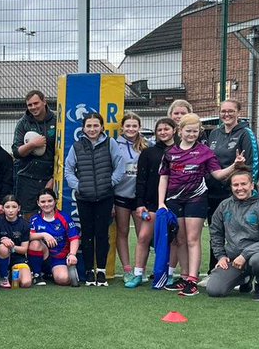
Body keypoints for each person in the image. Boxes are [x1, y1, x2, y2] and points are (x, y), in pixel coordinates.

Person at [158, 114, 241, 297]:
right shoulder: (170, 153)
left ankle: (192, 280)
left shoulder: (205, 151)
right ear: (180, 131)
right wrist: (161, 202)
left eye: (195, 131)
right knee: (179, 240)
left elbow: (218, 174)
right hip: (174, 200)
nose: (192, 134)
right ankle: (184, 276)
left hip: (196, 200)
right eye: (188, 131)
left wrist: (234, 166)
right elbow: (164, 177)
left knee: (192, 239)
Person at [63, 111, 126, 286]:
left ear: (102, 127)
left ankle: (101, 272)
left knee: (102, 234)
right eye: (88, 126)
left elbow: (120, 166)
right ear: (83, 128)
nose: (92, 129)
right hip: (84, 198)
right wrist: (79, 186)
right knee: (88, 234)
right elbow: (68, 170)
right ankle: (89, 271)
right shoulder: (76, 146)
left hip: (105, 197)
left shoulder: (110, 143)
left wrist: (109, 183)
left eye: (95, 125)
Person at [204, 99, 259, 275]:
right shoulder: (214, 134)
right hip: (213, 193)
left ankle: (244, 272)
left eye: (230, 111)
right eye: (223, 111)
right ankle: (215, 270)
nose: (226, 114)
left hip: (234, 194)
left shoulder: (245, 133)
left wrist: (244, 190)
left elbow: (253, 166)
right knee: (217, 232)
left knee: (239, 232)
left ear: (238, 112)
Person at [207, 171, 259, 301]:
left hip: (258, 255)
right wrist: (221, 256)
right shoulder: (224, 206)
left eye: (243, 184)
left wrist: (244, 255)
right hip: (234, 260)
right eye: (235, 185)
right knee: (214, 290)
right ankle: (245, 278)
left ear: (252, 185)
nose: (240, 188)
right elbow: (216, 232)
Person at [129, 118, 176, 288]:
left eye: (167, 129)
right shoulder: (148, 153)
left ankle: (169, 274)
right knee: (143, 237)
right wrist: (139, 203)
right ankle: (138, 274)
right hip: (151, 204)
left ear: (174, 130)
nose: (163, 132)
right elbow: (141, 180)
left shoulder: (180, 151)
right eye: (160, 130)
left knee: (171, 240)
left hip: (173, 202)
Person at [112, 112, 149, 284]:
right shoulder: (114, 145)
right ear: (122, 128)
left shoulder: (147, 145)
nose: (131, 129)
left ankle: (139, 269)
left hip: (140, 198)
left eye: (134, 126)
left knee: (143, 235)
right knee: (123, 232)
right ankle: (127, 269)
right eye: (128, 126)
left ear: (139, 128)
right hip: (121, 195)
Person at [11, 90, 57, 212]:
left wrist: (54, 178)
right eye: (29, 105)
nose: (33, 107)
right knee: (28, 216)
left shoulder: (57, 120)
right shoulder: (23, 123)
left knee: (50, 214)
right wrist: (32, 145)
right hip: (27, 177)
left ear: (44, 101)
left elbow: (62, 152)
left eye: (36, 103)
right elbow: (16, 151)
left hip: (50, 176)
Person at [27, 189, 80, 286]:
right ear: (38, 203)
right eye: (43, 202)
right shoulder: (35, 219)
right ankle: (37, 275)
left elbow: (74, 238)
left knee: (63, 279)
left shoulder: (65, 218)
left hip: (59, 258)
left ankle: (52, 273)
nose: (46, 204)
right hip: (44, 256)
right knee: (35, 243)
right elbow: (28, 236)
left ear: (55, 201)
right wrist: (44, 235)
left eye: (49, 201)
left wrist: (72, 254)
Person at [0, 195, 32, 288]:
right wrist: (2, 240)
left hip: (18, 258)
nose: (10, 210)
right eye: (7, 207)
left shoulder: (25, 224)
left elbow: (24, 249)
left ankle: (10, 273)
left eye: (14, 207)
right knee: (3, 247)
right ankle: (3, 277)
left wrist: (11, 246)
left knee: (26, 283)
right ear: (3, 208)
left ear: (19, 208)